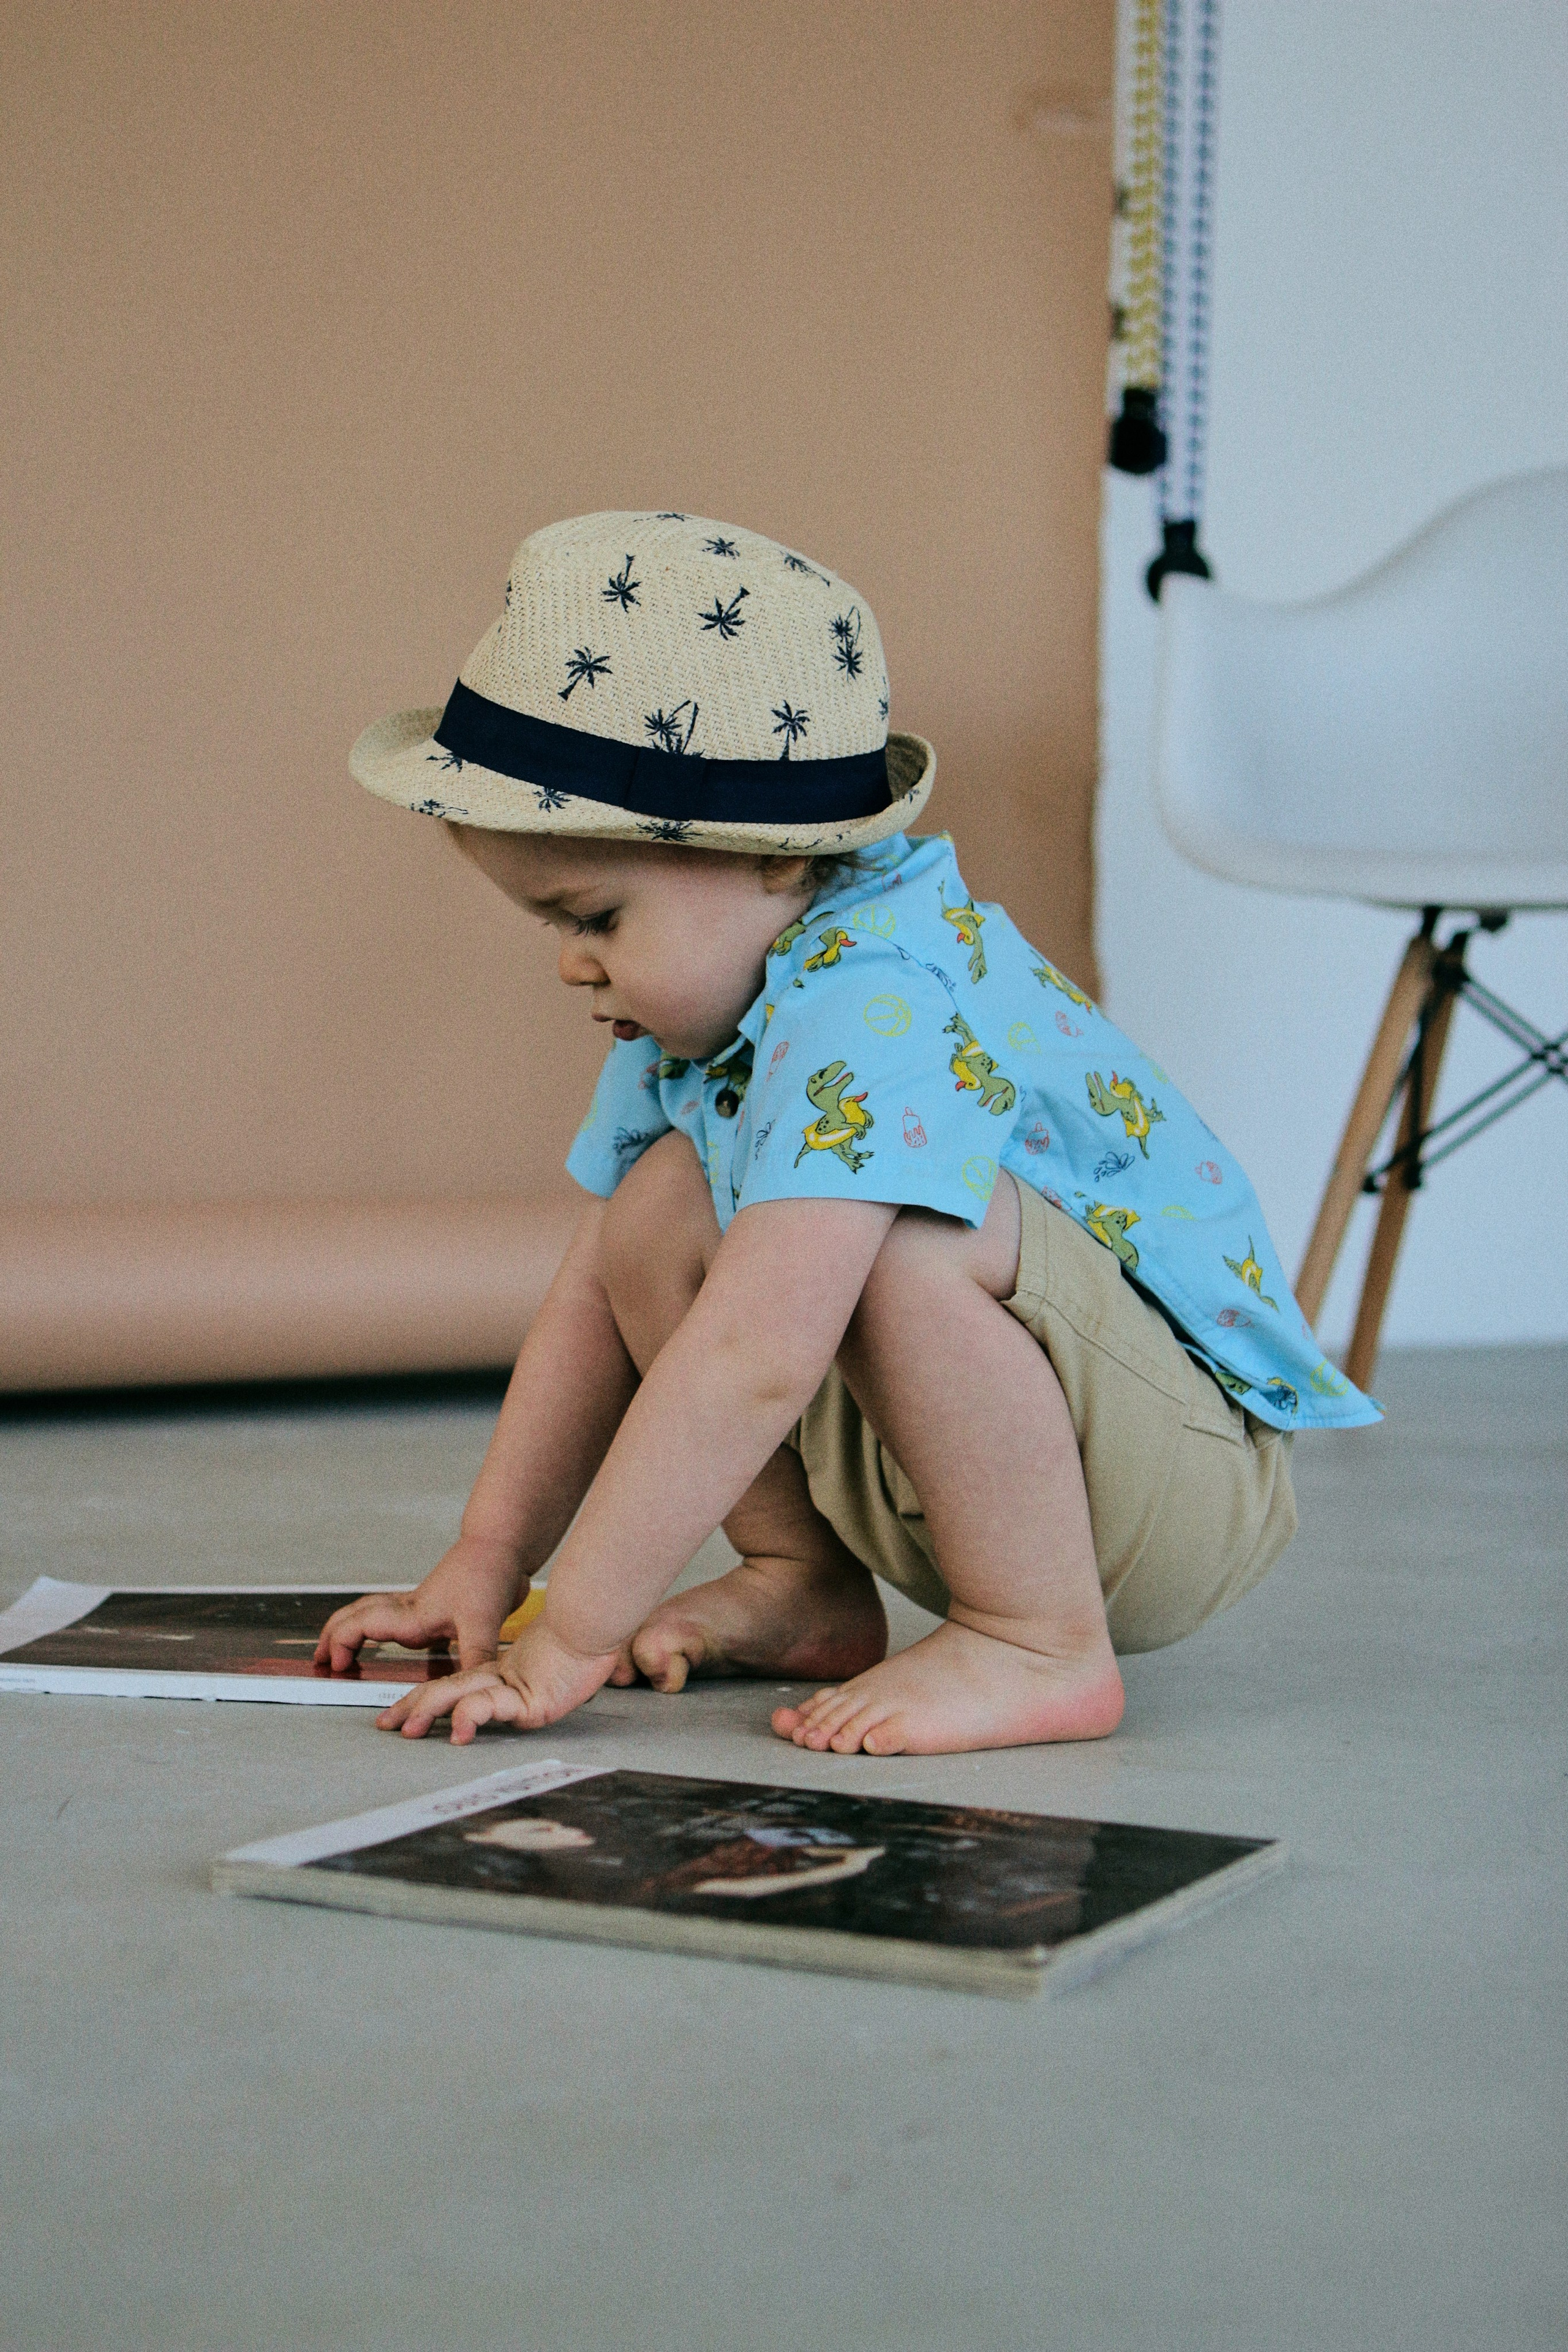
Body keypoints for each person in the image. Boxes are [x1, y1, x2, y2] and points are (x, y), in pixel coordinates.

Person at [317, 511, 1377, 1756]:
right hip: (961, 1474)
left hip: (1167, 1484)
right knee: (659, 1203)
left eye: (594, 915)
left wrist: (568, 1642)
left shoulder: (876, 998)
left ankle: (1037, 1642)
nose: (568, 963)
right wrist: (491, 1560)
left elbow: (754, 1359)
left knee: (903, 1233)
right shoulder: (701, 1020)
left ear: (774, 861)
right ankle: (803, 1581)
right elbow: (595, 1301)